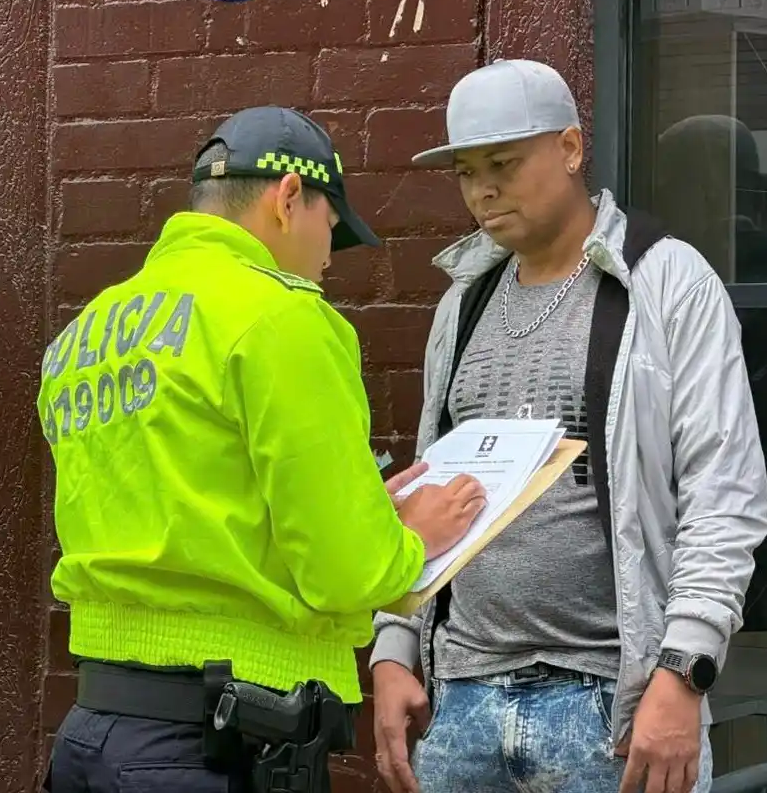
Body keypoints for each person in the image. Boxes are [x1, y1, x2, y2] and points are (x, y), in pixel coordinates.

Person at [38, 106, 487, 793]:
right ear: (286, 199)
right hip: (222, 742)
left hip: (95, 728)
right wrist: (408, 540)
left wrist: (365, 509)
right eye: (329, 227)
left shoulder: (87, 332)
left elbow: (201, 505)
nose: (328, 257)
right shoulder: (281, 316)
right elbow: (346, 572)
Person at [369, 61, 767, 793]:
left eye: (503, 163)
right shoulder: (461, 304)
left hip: (609, 712)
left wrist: (683, 671)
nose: (481, 189)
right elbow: (429, 497)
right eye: (465, 171)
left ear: (571, 149)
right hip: (460, 701)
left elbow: (725, 496)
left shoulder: (665, 281)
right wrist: (394, 648)